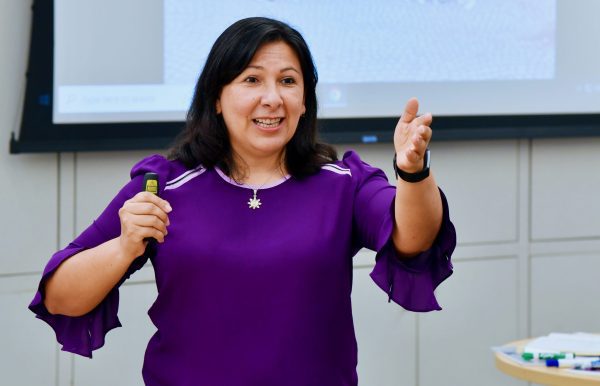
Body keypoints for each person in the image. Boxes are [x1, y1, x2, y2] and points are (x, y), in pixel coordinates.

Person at [29, 17, 456, 386]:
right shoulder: (164, 185)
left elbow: (414, 238)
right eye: (251, 80)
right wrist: (123, 247)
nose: (272, 98)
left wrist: (413, 171)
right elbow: (61, 298)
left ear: (304, 100)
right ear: (217, 97)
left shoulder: (344, 183)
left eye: (288, 81)